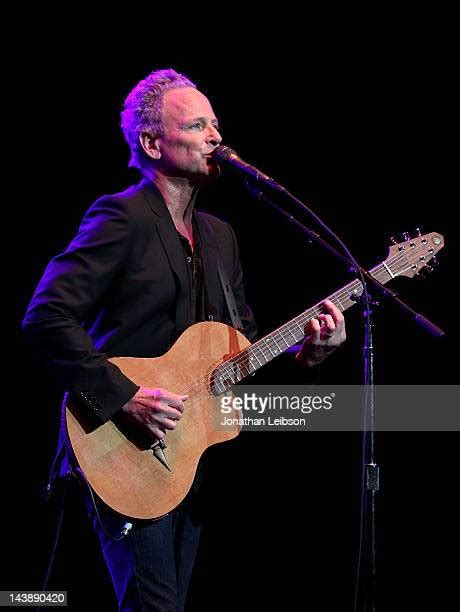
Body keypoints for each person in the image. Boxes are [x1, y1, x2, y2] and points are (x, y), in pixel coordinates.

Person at [22, 68, 346, 611]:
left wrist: (306, 353)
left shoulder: (220, 236)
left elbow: (240, 348)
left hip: (187, 453)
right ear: (152, 143)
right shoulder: (120, 217)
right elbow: (46, 316)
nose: (216, 137)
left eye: (215, 124)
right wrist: (127, 396)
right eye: (197, 126)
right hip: (119, 446)